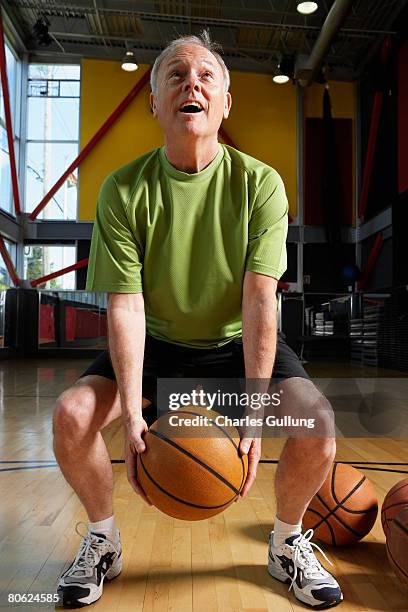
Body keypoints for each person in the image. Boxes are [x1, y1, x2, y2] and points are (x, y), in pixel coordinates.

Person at [53, 30, 343, 609]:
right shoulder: (123, 189)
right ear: (155, 101)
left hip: (235, 346)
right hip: (156, 343)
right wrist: (133, 412)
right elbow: (126, 306)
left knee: (319, 424)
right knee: (72, 415)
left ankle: (287, 541)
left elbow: (261, 301)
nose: (193, 84)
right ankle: (103, 539)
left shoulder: (260, 184)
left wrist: (256, 414)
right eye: (176, 75)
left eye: (207, 75)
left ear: (226, 102)